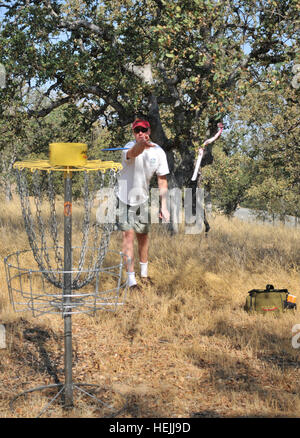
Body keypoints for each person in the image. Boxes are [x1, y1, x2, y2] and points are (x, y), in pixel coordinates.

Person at [116, 119, 170, 290]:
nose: (139, 132)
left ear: (149, 130)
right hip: (124, 198)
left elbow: (162, 180)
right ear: (133, 133)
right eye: (136, 130)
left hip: (143, 199)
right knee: (129, 237)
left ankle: (144, 275)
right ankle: (131, 281)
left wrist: (164, 206)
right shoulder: (128, 146)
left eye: (143, 129)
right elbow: (134, 152)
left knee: (143, 237)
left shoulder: (159, 153)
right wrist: (141, 143)